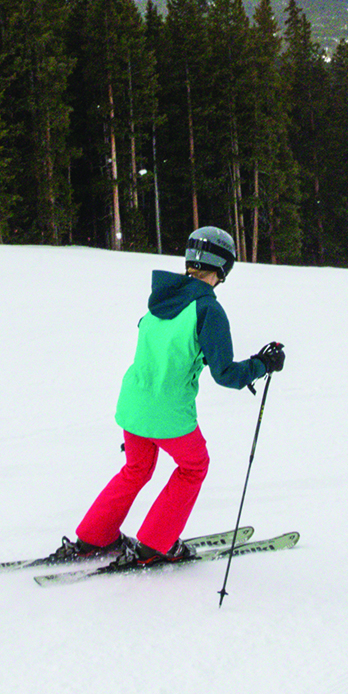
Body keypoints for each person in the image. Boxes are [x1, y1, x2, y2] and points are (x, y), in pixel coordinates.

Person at [45, 226, 284, 569]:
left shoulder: (161, 299)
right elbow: (227, 375)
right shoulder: (207, 310)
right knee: (193, 466)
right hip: (168, 413)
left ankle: (94, 537)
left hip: (133, 406)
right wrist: (263, 364)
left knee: (136, 468)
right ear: (224, 267)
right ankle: (155, 544)